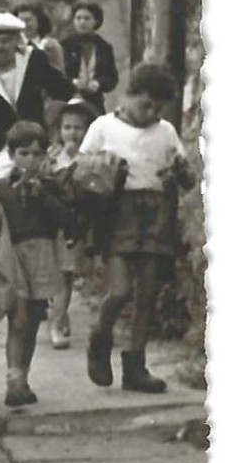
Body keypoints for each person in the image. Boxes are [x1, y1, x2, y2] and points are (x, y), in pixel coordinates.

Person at [79, 63, 194, 393]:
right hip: (118, 211)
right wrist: (100, 168)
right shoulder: (103, 127)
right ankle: (100, 339)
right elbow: (80, 167)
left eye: (158, 107)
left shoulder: (167, 131)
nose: (152, 112)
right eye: (146, 104)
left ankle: (135, 366)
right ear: (128, 96)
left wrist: (180, 172)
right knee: (119, 290)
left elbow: (185, 178)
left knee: (147, 293)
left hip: (156, 213)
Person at [0, 122, 75, 406]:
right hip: (12, 258)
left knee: (32, 321)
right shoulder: (2, 188)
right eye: (24, 154)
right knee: (18, 318)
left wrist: (42, 196)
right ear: (12, 155)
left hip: (42, 257)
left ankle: (22, 377)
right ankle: (13, 379)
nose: (31, 161)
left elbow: (67, 220)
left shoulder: (50, 186)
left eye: (37, 154)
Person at [0, 10, 76, 203]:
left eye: (5, 41)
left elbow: (65, 91)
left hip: (35, 147)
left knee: (47, 197)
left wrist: (53, 129)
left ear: (16, 40)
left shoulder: (33, 60)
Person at [48, 98, 98, 348]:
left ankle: (58, 319)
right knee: (56, 276)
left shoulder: (89, 158)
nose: (72, 133)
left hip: (75, 224)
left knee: (66, 275)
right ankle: (58, 319)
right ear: (59, 130)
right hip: (53, 224)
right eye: (67, 127)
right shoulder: (52, 157)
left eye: (78, 127)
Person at [61, 1, 120, 113]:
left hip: (94, 102)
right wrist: (73, 82)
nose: (82, 22)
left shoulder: (104, 47)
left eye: (87, 18)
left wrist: (98, 84)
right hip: (68, 99)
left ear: (96, 21)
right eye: (78, 18)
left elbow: (112, 77)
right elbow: (57, 74)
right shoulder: (65, 45)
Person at [14, 2, 66, 73]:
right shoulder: (13, 45)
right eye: (20, 20)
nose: (24, 24)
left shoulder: (51, 45)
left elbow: (59, 72)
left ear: (39, 20)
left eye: (28, 20)